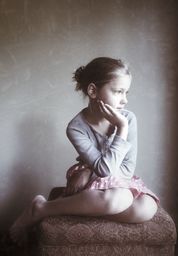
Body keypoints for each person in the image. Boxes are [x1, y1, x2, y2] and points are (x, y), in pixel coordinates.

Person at [10, 57, 159, 245]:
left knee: (146, 208)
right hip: (94, 181)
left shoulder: (128, 119)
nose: (125, 100)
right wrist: (121, 130)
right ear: (93, 91)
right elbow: (105, 171)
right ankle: (42, 208)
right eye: (118, 92)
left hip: (116, 177)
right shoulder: (76, 127)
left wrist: (89, 168)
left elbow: (127, 169)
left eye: (126, 92)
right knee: (120, 198)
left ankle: (86, 208)